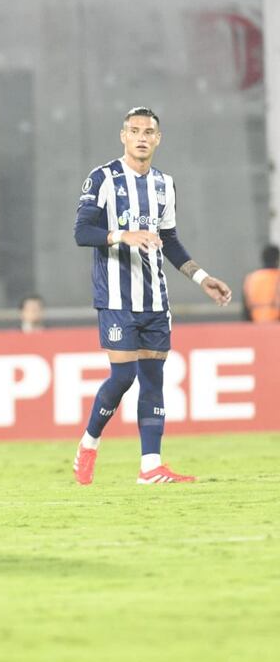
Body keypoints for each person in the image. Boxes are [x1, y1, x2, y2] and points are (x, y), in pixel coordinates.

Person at [72, 107, 232, 485]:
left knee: (153, 378)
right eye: (135, 131)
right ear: (123, 136)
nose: (141, 137)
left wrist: (202, 277)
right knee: (123, 376)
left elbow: (169, 240)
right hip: (116, 298)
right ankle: (89, 443)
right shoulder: (103, 178)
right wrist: (122, 235)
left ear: (158, 139)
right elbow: (82, 232)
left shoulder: (164, 184)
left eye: (148, 132)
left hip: (155, 299)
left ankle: (150, 466)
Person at [242, 245, 279, 322]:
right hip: (276, 324)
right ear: (277, 259)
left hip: (256, 323)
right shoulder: (278, 277)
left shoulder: (251, 278)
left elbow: (246, 308)